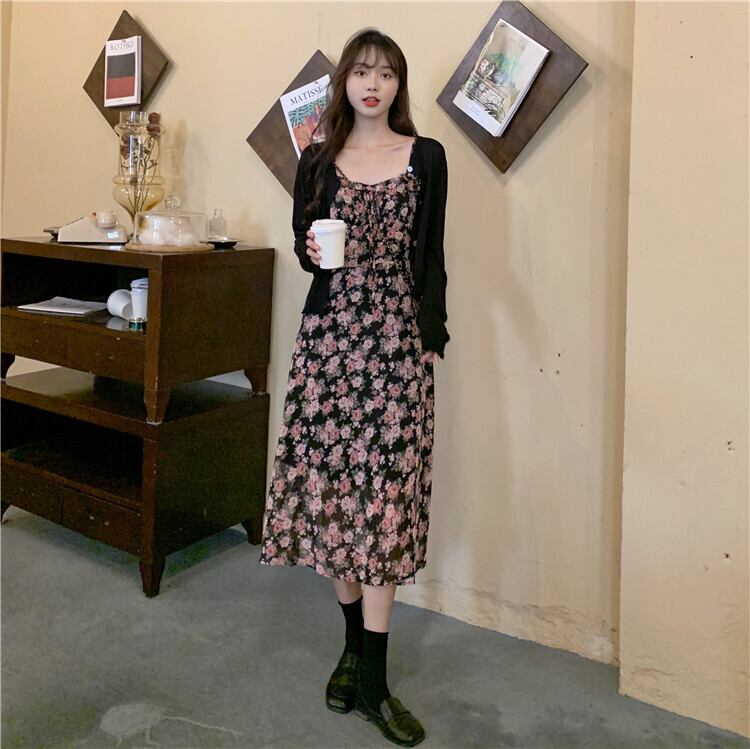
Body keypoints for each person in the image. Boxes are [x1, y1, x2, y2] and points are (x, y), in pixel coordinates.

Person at [259, 26, 450, 748]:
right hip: (330, 348)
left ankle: (372, 679)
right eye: (362, 71)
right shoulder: (317, 159)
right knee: (334, 497)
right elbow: (307, 249)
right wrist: (313, 248)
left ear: (399, 85)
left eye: (387, 73)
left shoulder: (426, 157)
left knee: (385, 505)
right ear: (344, 81)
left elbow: (431, 256)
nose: (373, 84)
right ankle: (353, 651)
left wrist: (431, 339)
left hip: (396, 347)